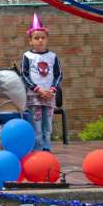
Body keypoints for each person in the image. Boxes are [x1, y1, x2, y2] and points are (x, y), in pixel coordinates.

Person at [21, 13, 63, 152]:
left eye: (43, 38)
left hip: (49, 96)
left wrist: (52, 90)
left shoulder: (53, 57)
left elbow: (58, 75)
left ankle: (46, 148)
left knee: (47, 125)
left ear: (47, 39)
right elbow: (25, 75)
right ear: (30, 41)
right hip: (35, 96)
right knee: (36, 125)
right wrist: (37, 89)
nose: (40, 40)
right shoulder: (28, 56)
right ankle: (38, 149)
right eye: (36, 38)